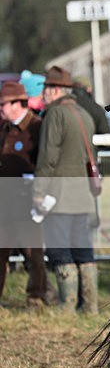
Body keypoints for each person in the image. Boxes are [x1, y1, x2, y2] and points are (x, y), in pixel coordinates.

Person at [33, 66, 99, 313]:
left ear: (57, 90)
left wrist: (39, 191)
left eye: (47, 88)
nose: (44, 93)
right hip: (83, 194)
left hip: (59, 194)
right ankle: (90, 305)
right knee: (83, 248)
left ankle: (67, 305)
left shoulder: (55, 115)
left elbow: (48, 158)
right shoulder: (84, 114)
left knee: (60, 248)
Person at [0, 81, 56, 307]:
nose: (1, 107)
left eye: (4, 103)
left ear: (17, 103)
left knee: (33, 255)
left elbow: (44, 162)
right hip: (4, 203)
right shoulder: (4, 128)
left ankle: (37, 296)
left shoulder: (36, 126)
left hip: (27, 203)